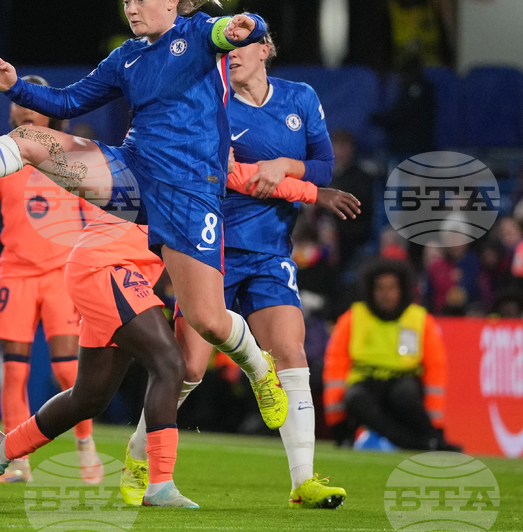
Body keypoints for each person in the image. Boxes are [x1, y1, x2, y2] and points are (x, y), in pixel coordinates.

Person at [0, 0, 290, 437]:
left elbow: (237, 31)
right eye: (125, 1)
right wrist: (16, 88)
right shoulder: (127, 57)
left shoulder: (199, 34)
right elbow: (68, 101)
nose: (131, 9)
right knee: (31, 138)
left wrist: (248, 23)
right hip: (134, 171)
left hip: (190, 193)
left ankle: (260, 369)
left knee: (209, 322)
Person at [126, 36, 358, 509]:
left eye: (244, 44)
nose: (232, 53)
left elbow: (324, 165)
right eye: (226, 47)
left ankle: (303, 481)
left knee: (291, 351)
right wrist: (304, 190)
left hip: (271, 251)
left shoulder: (300, 98)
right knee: (187, 367)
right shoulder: (212, 103)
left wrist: (284, 165)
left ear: (267, 48)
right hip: (211, 247)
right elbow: (232, 176)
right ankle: (137, 454)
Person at [0, 209, 192, 506]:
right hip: (106, 265)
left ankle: (2, 449)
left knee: (89, 398)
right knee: (170, 363)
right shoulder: (189, 170)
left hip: (115, 266)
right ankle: (160, 483)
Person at [0, 82, 103, 484]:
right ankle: (15, 460)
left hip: (62, 274)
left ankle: (85, 444)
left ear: (47, 112)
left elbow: (93, 216)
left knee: (67, 371)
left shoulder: (71, 153)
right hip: (15, 275)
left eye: (32, 104)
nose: (25, 110)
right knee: (15, 372)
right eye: (18, 103)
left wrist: (97, 265)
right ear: (10, 112)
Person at [323, 259, 459, 452]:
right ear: (371, 290)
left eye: (391, 288)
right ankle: (419, 444)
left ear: (402, 289)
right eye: (380, 288)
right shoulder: (352, 318)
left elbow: (435, 370)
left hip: (404, 384)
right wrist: (337, 422)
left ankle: (432, 438)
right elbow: (335, 368)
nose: (386, 295)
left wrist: (436, 424)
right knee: (355, 397)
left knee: (404, 394)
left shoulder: (419, 319)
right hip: (366, 385)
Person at [328, 130, 374, 264]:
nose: (341, 151)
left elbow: (362, 213)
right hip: (319, 234)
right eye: (337, 145)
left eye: (345, 146)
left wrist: (336, 231)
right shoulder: (322, 174)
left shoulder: (362, 178)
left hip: (351, 236)